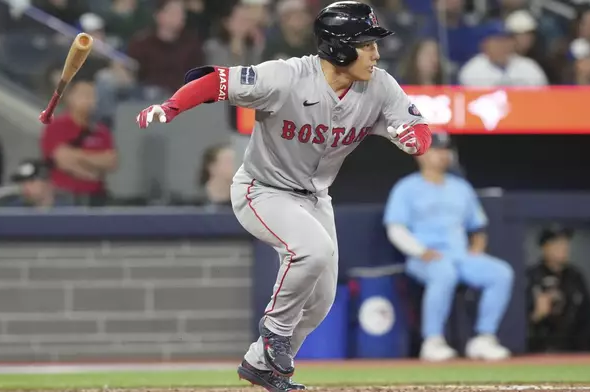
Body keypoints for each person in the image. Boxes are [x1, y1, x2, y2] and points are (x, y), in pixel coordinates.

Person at [135, 2, 432, 390]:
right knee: (313, 250)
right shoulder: (287, 76)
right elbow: (216, 81)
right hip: (262, 189)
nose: (376, 52)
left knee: (321, 302)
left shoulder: (380, 85)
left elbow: (417, 126)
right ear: (339, 47)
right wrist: (172, 106)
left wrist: (415, 139)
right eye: (366, 43)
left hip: (315, 197)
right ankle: (275, 329)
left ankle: (260, 362)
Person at [383, 132, 513, 362]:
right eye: (436, 150)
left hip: (460, 255)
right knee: (444, 273)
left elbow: (478, 226)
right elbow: (396, 229)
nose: (442, 155)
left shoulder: (460, 187)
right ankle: (433, 341)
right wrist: (420, 251)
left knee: (501, 273)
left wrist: (477, 247)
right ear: (421, 154)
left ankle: (484, 338)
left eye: (445, 150)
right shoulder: (406, 188)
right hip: (424, 257)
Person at [40, 79, 118, 206]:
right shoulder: (56, 126)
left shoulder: (101, 130)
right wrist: (92, 172)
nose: (89, 100)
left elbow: (111, 161)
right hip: (64, 197)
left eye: (92, 96)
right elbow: (62, 160)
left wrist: (76, 155)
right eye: (84, 95)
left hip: (96, 198)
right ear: (70, 97)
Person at [526, 226, 590, 353]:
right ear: (544, 247)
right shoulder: (530, 277)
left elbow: (587, 316)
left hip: (573, 348)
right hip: (539, 348)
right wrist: (536, 315)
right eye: (557, 243)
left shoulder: (575, 277)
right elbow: (517, 325)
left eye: (565, 243)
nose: (563, 248)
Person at [0, 159, 73, 208]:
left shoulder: (69, 211)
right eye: (23, 182)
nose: (25, 187)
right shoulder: (14, 211)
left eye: (31, 182)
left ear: (47, 182)